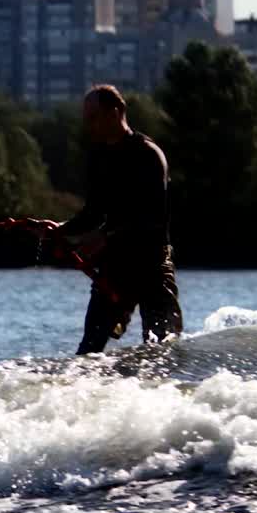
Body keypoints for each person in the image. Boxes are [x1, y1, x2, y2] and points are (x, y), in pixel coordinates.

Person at [29, 85, 183, 356]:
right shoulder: (100, 158)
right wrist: (59, 229)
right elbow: (92, 213)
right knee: (89, 351)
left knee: (163, 349)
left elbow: (152, 216)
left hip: (152, 264)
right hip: (115, 267)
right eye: (86, 118)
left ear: (115, 112)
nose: (89, 125)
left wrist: (105, 236)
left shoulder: (148, 155)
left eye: (94, 117)